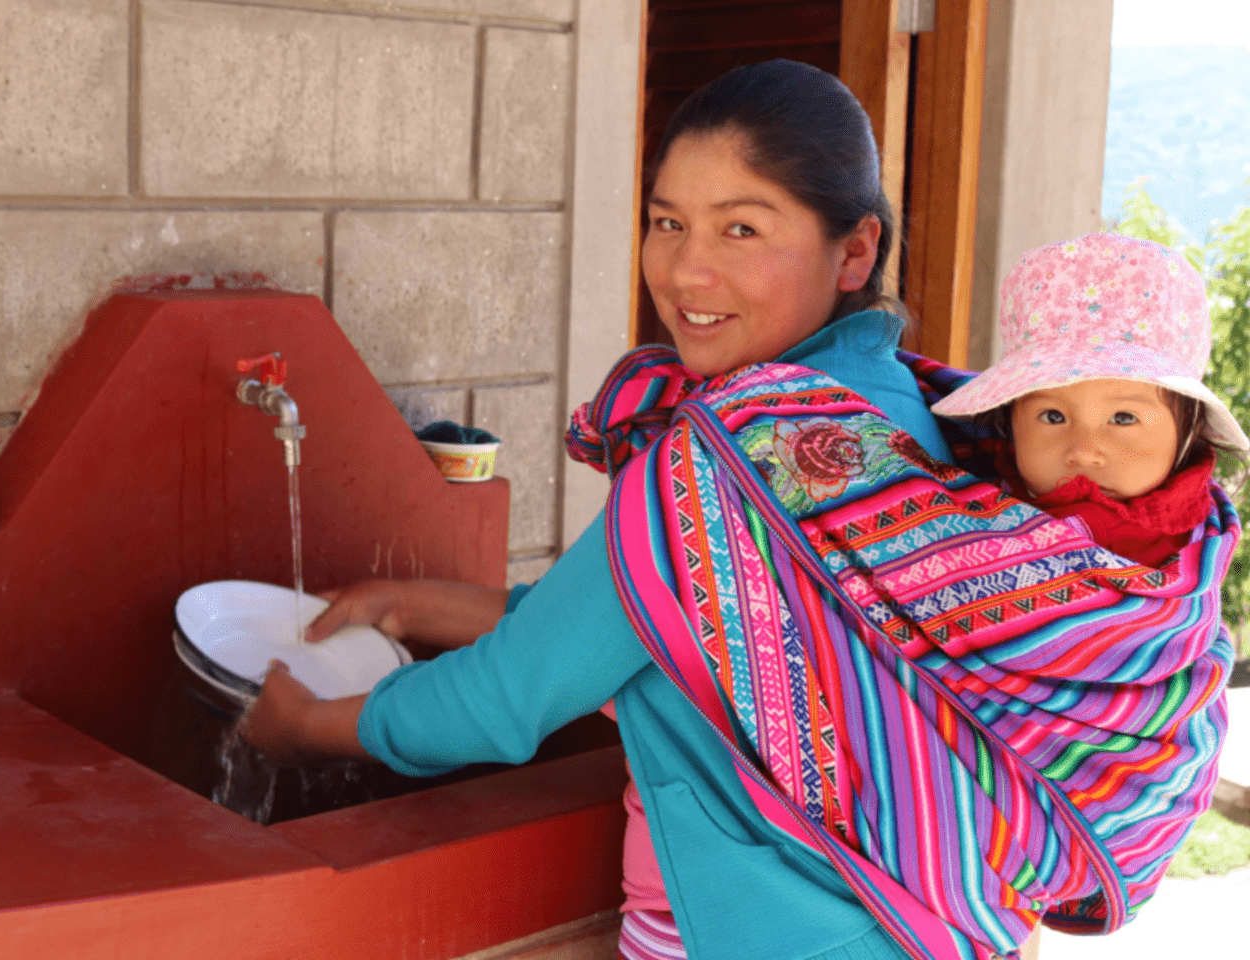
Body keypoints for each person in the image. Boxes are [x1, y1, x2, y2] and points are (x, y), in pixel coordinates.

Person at [245, 61, 1237, 960]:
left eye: (742, 228)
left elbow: (508, 701)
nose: (686, 271)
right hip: (937, 929)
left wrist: (307, 722)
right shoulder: (915, 429)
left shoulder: (731, 461)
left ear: (856, 252)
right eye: (668, 221)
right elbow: (658, 619)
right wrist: (417, 606)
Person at [930, 231, 1249, 568]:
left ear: (1188, 432)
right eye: (1053, 416)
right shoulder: (968, 512)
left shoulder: (1199, 547)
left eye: (1123, 418)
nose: (1082, 451)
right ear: (1010, 421)